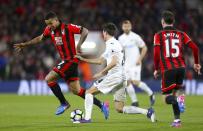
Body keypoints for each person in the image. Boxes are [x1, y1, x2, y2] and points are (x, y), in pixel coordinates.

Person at [13, 11, 108, 117]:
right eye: (47, 24)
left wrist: (79, 45)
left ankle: (64, 103)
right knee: (77, 91)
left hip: (71, 60)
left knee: (49, 79)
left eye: (51, 23)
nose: (49, 26)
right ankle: (101, 105)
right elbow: (39, 38)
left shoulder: (68, 27)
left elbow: (85, 31)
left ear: (56, 20)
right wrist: (24, 44)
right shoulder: (49, 30)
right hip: (67, 62)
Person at [76, 23, 156, 123]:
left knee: (88, 92)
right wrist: (83, 59)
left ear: (105, 32)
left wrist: (101, 72)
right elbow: (100, 60)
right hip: (121, 77)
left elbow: (114, 62)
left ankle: (87, 119)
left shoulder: (112, 44)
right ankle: (148, 112)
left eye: (103, 33)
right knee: (119, 108)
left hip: (115, 76)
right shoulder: (115, 43)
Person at [153, 10, 201, 127]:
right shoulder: (181, 34)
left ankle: (179, 100)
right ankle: (177, 121)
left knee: (165, 99)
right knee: (175, 94)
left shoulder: (158, 35)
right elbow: (195, 48)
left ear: (162, 21)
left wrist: (156, 69)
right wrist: (196, 63)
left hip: (168, 69)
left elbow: (156, 53)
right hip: (181, 68)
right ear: (173, 22)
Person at [118, 20, 155, 107]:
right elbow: (120, 51)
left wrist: (140, 59)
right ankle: (135, 101)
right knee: (127, 82)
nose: (126, 28)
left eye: (128, 26)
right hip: (127, 64)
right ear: (122, 27)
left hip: (136, 63)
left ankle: (151, 93)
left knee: (135, 82)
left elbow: (144, 47)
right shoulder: (120, 38)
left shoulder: (135, 37)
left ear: (131, 27)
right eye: (125, 26)